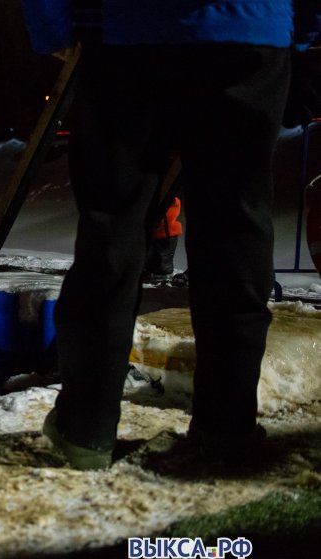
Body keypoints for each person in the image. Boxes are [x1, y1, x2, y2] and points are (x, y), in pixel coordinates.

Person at [22, 0, 321, 469]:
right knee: (236, 227)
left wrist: (53, 28)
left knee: (112, 228)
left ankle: (86, 430)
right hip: (249, 28)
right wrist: (297, 25)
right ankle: (227, 429)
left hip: (128, 32)